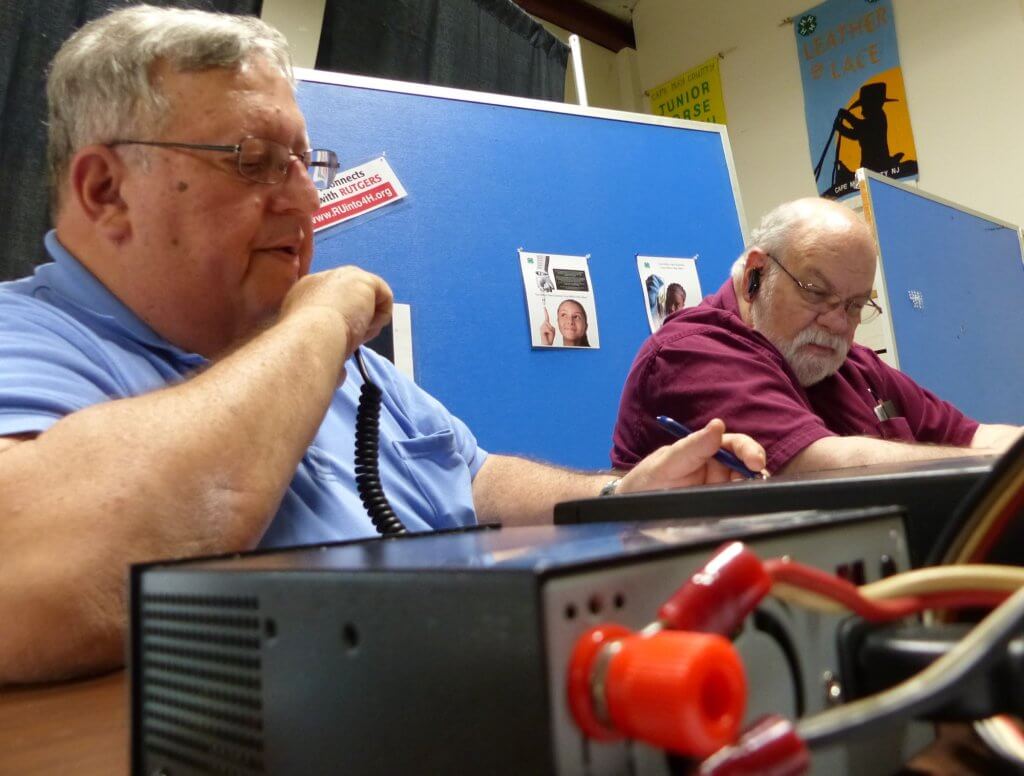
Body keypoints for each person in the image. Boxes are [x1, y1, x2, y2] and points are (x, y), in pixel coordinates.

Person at [0, 6, 764, 685]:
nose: (303, 200)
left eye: (306, 163)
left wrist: (617, 498)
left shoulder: (342, 365)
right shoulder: (28, 341)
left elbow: (471, 479)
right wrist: (317, 325)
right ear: (105, 190)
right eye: (254, 161)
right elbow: (39, 580)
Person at [612, 197, 1021, 475]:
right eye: (816, 293)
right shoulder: (689, 355)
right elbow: (825, 467)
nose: (838, 323)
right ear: (757, 274)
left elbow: (972, 435)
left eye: (856, 305)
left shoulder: (851, 365)